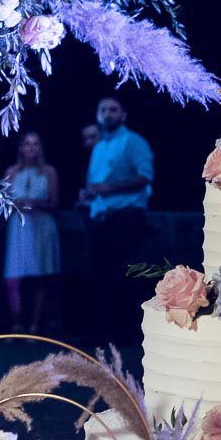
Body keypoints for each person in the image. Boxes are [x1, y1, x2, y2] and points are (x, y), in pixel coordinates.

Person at [82, 95, 154, 349]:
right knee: (100, 276)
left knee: (125, 275)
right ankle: (101, 333)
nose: (108, 114)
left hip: (126, 218)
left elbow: (144, 177)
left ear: (123, 115)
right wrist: (89, 194)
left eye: (113, 109)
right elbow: (96, 182)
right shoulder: (100, 147)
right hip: (101, 218)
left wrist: (107, 188)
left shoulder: (133, 142)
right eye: (103, 110)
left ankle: (129, 333)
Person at [2, 131, 60, 333]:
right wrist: (16, 204)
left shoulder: (48, 172)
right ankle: (16, 323)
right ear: (21, 147)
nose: (31, 148)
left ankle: (35, 325)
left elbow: (54, 203)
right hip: (18, 225)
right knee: (13, 275)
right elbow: (3, 202)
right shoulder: (12, 172)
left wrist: (35, 203)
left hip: (41, 224)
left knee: (40, 274)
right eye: (27, 144)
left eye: (36, 144)